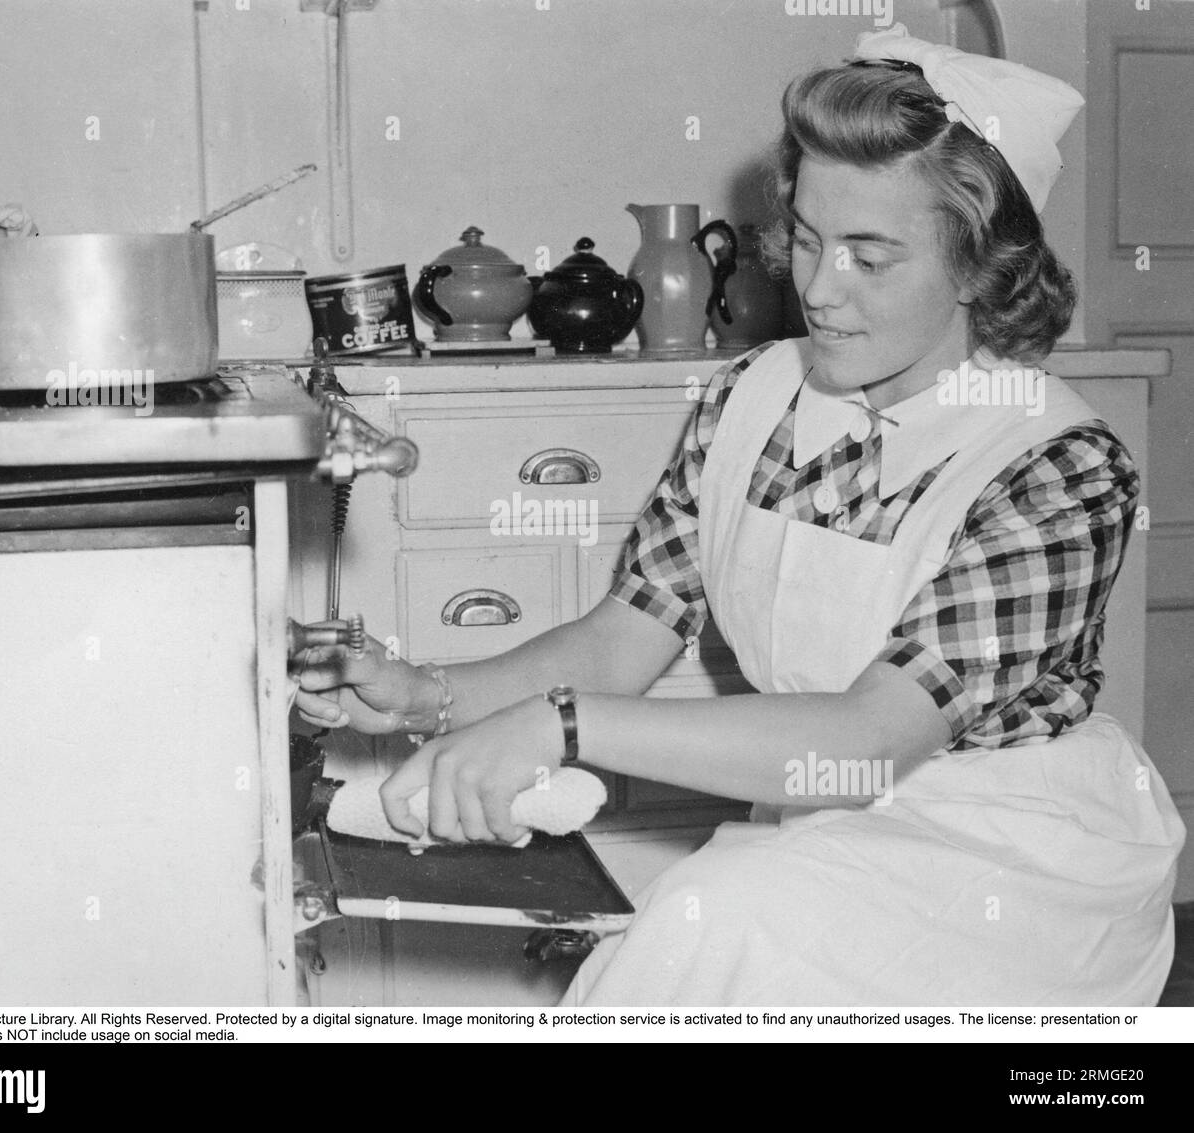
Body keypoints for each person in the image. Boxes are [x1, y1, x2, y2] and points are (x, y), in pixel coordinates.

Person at [291, 24, 1185, 1005]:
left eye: (868, 257)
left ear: (978, 266)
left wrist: (562, 727)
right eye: (805, 236)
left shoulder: (1053, 466)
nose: (815, 285)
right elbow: (621, 637)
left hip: (1013, 868)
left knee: (711, 913)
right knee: (715, 917)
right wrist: (427, 694)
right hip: (824, 836)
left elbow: (863, 744)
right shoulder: (749, 399)